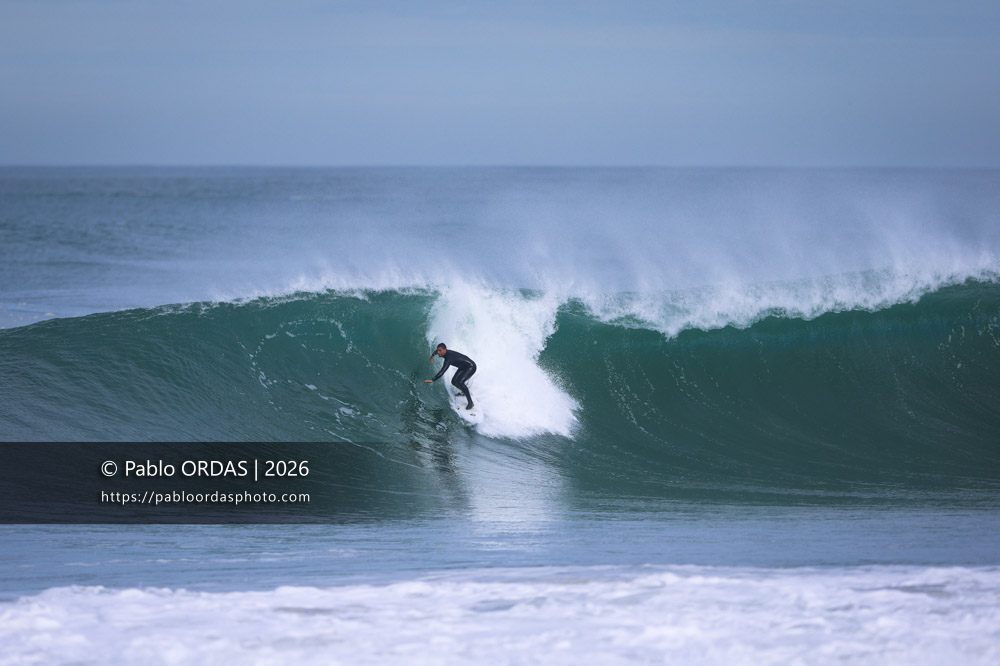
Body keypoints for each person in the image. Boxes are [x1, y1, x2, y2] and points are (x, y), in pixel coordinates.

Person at [424, 343, 476, 409]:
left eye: (440, 351)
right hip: (463, 367)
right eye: (438, 350)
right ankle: (463, 391)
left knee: (460, 382)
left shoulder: (449, 358)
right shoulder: (444, 353)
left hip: (471, 367)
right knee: (454, 381)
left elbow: (442, 371)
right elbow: (436, 352)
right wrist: (432, 355)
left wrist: (433, 379)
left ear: (445, 350)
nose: (438, 352)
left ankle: (471, 403)